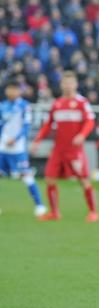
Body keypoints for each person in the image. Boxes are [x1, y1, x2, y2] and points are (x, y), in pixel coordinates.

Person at [30, 71, 99, 222]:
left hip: (74, 151)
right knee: (49, 178)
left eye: (70, 83)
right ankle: (55, 213)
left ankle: (93, 212)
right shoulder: (57, 104)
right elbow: (48, 125)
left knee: (84, 180)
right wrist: (37, 141)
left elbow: (90, 121)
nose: (67, 86)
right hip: (58, 150)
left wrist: (82, 135)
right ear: (61, 85)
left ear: (75, 84)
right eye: (65, 83)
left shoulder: (82, 102)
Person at [0, 80, 47, 217]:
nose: (11, 92)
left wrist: (15, 139)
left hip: (17, 149)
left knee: (26, 177)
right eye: (9, 89)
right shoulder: (3, 106)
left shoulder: (24, 106)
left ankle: (39, 205)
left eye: (14, 89)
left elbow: (26, 127)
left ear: (19, 91)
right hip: (2, 148)